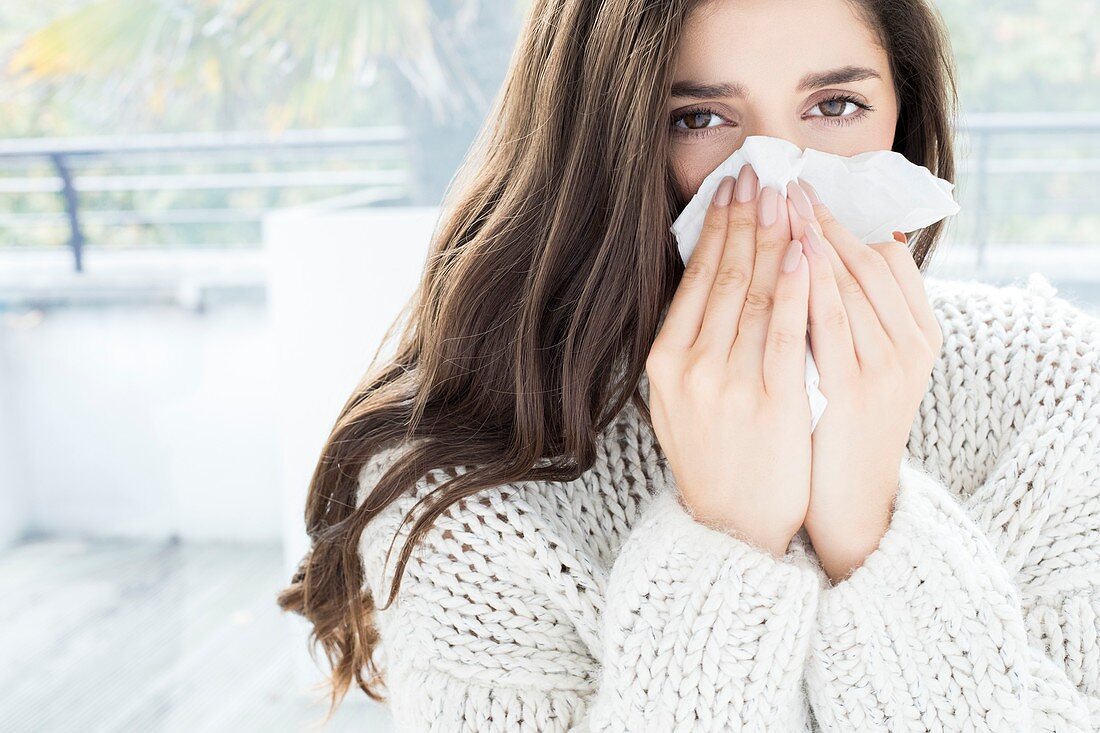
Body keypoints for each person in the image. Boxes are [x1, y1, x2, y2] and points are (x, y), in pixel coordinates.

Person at [278, 0, 1100, 730]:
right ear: (599, 142)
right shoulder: (470, 482)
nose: (776, 179)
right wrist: (729, 537)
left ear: (903, 115)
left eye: (838, 105)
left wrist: (870, 520)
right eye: (699, 119)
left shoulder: (1049, 388)